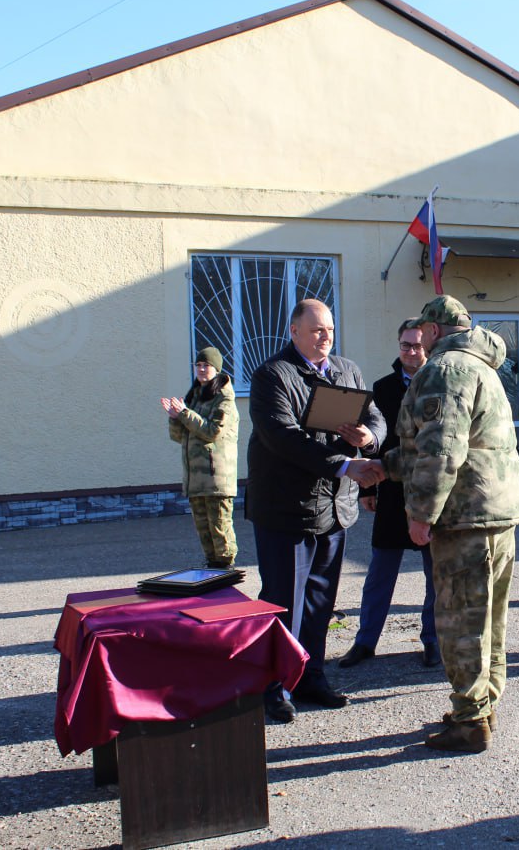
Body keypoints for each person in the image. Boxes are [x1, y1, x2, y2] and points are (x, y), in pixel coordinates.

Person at [374, 294, 519, 753]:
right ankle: (481, 705)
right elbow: (437, 447)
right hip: (495, 512)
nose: (418, 336)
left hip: (465, 519)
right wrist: (384, 466)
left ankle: (469, 721)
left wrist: (420, 514)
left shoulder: (446, 370)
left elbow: (442, 451)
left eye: (423, 329)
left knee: (461, 620)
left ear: (435, 330)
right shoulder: (482, 366)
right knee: (489, 620)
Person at [246, 298, 386, 724]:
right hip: (286, 512)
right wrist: (348, 465)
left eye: (329, 330)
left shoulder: (347, 370)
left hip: (334, 510)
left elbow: (377, 418)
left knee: (321, 602)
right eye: (316, 330)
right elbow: (283, 438)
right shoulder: (273, 375)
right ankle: (275, 686)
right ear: (293, 332)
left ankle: (310, 676)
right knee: (283, 602)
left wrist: (367, 439)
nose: (325, 337)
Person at [340, 319, 441, 670]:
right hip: (391, 489)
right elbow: (371, 438)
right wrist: (366, 488)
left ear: (428, 346)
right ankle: (365, 642)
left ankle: (432, 641)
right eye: (405, 345)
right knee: (380, 570)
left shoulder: (440, 385)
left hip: (430, 491)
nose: (411, 351)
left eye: (416, 345)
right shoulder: (382, 388)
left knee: (435, 574)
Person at [161, 346, 239, 568]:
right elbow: (180, 438)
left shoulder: (224, 397)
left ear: (216, 369)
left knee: (220, 529)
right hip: (196, 479)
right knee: (204, 530)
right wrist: (175, 418)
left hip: (216, 478)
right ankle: (212, 568)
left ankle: (226, 569)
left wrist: (185, 414)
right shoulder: (195, 396)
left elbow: (212, 431)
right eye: (199, 365)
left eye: (207, 366)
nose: (202, 369)